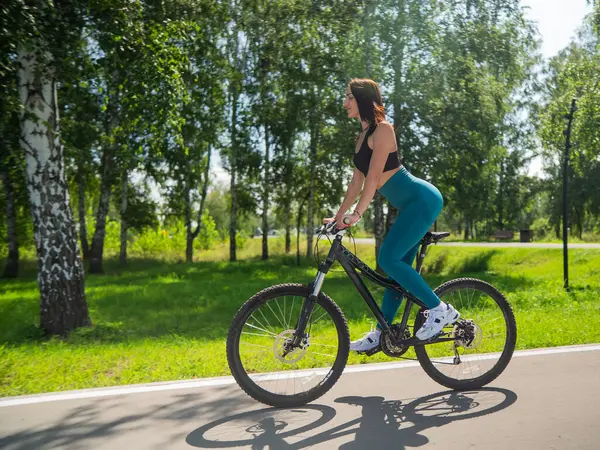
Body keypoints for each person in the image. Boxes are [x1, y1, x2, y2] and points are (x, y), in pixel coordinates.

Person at [324, 78, 460, 353]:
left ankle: (440, 309)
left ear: (362, 99)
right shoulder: (361, 138)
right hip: (409, 208)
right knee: (397, 275)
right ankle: (381, 331)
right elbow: (356, 183)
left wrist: (357, 214)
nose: (345, 103)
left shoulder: (384, 130)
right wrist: (338, 216)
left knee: (387, 258)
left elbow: (373, 178)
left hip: (422, 200)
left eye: (349, 97)